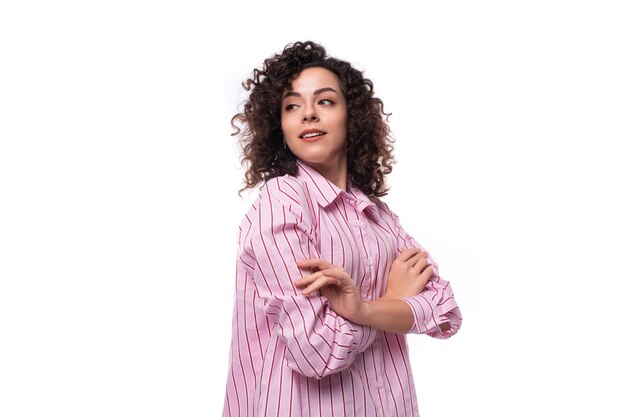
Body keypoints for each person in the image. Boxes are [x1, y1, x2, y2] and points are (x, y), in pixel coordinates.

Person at [223, 40, 462, 417]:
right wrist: (392, 304)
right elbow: (315, 352)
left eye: (325, 101)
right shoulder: (282, 201)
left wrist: (363, 310)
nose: (307, 115)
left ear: (352, 117)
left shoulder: (377, 215)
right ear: (278, 126)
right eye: (291, 106)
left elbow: (444, 310)